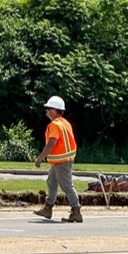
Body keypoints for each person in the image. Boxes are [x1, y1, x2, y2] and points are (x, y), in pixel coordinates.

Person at [33, 95, 81, 223]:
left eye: (48, 108)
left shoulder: (54, 125)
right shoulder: (65, 123)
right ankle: (48, 209)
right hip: (62, 160)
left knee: (67, 186)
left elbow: (51, 143)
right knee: (52, 182)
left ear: (54, 110)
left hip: (61, 161)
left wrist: (40, 158)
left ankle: (76, 211)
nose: (46, 111)